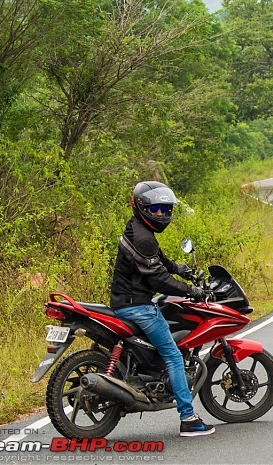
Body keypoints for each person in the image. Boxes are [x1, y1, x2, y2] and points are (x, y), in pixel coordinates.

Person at [109, 181, 215, 437]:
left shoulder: (137, 229)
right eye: (155, 209)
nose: (161, 214)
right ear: (142, 207)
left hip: (125, 301)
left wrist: (178, 268)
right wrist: (192, 291)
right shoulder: (144, 238)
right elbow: (158, 279)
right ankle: (188, 418)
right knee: (173, 355)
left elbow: (156, 261)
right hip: (136, 306)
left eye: (165, 209)